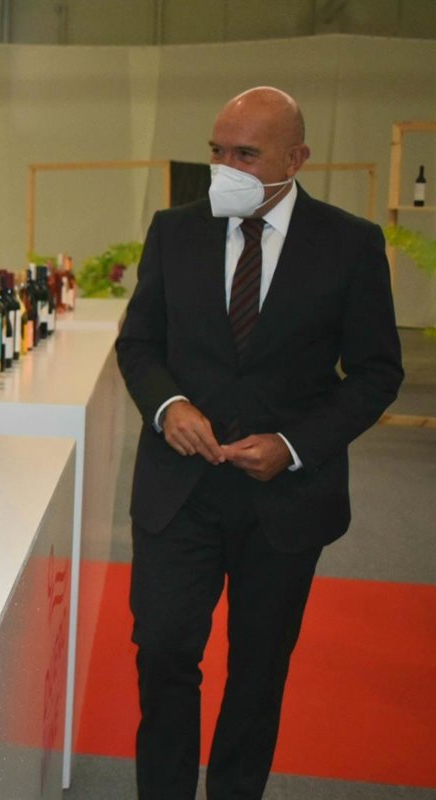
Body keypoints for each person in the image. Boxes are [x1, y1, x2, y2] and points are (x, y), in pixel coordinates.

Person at [115, 87, 403, 799]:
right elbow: (140, 344)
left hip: (285, 499)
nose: (226, 167)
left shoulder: (350, 244)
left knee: (258, 670)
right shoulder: (174, 230)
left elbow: (377, 373)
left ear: (296, 159)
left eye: (246, 154)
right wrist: (169, 405)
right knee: (164, 651)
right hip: (179, 492)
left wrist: (294, 445)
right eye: (217, 150)